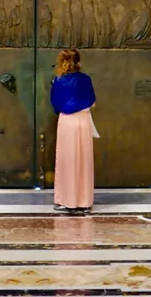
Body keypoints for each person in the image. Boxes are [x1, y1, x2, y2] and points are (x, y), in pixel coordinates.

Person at [50, 48, 96, 214]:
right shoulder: (86, 79)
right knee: (84, 159)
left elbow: (55, 103)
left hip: (67, 121)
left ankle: (65, 200)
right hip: (83, 120)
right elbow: (92, 102)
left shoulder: (58, 80)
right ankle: (84, 202)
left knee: (66, 160)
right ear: (78, 62)